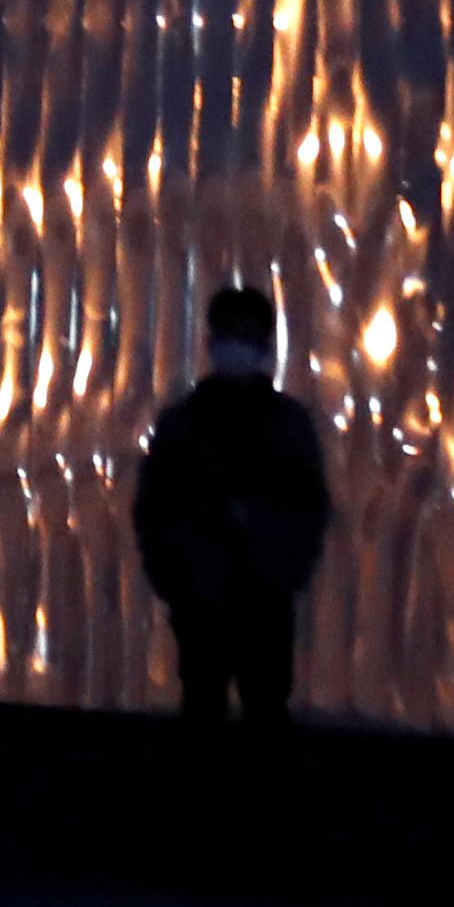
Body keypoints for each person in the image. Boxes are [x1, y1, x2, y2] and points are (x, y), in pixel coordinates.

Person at [131, 284, 332, 749]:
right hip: (202, 600)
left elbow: (310, 509)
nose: (237, 344)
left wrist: (282, 569)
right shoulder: (183, 425)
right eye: (231, 333)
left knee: (263, 718)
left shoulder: (288, 426)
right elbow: (154, 510)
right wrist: (177, 578)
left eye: (247, 334)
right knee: (205, 715)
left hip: (263, 600)